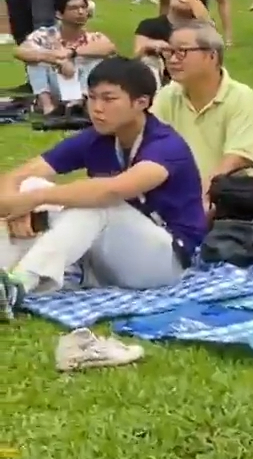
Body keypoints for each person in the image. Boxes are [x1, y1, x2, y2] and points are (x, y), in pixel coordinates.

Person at [0, 57, 206, 312]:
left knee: (98, 202)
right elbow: (19, 175)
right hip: (108, 256)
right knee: (29, 184)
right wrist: (15, 205)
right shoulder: (97, 137)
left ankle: (21, 283)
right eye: (92, 97)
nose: (96, 108)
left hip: (165, 263)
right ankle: (3, 275)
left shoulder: (166, 145)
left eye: (109, 99)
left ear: (141, 102)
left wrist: (35, 200)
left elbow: (113, 189)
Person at [152, 22, 253, 191]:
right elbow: (150, 148)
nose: (172, 59)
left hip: (232, 198)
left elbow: (235, 161)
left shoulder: (242, 99)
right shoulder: (167, 96)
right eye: (169, 52)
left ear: (212, 55)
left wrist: (199, 201)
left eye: (182, 51)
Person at [17, 0, 114, 118]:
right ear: (59, 14)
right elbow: (20, 51)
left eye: (83, 7)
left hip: (81, 85)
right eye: (73, 8)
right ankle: (47, 106)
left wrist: (71, 53)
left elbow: (109, 48)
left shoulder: (93, 37)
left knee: (95, 60)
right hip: (54, 86)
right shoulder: (44, 35)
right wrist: (55, 59)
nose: (80, 12)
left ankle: (79, 104)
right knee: (36, 58)